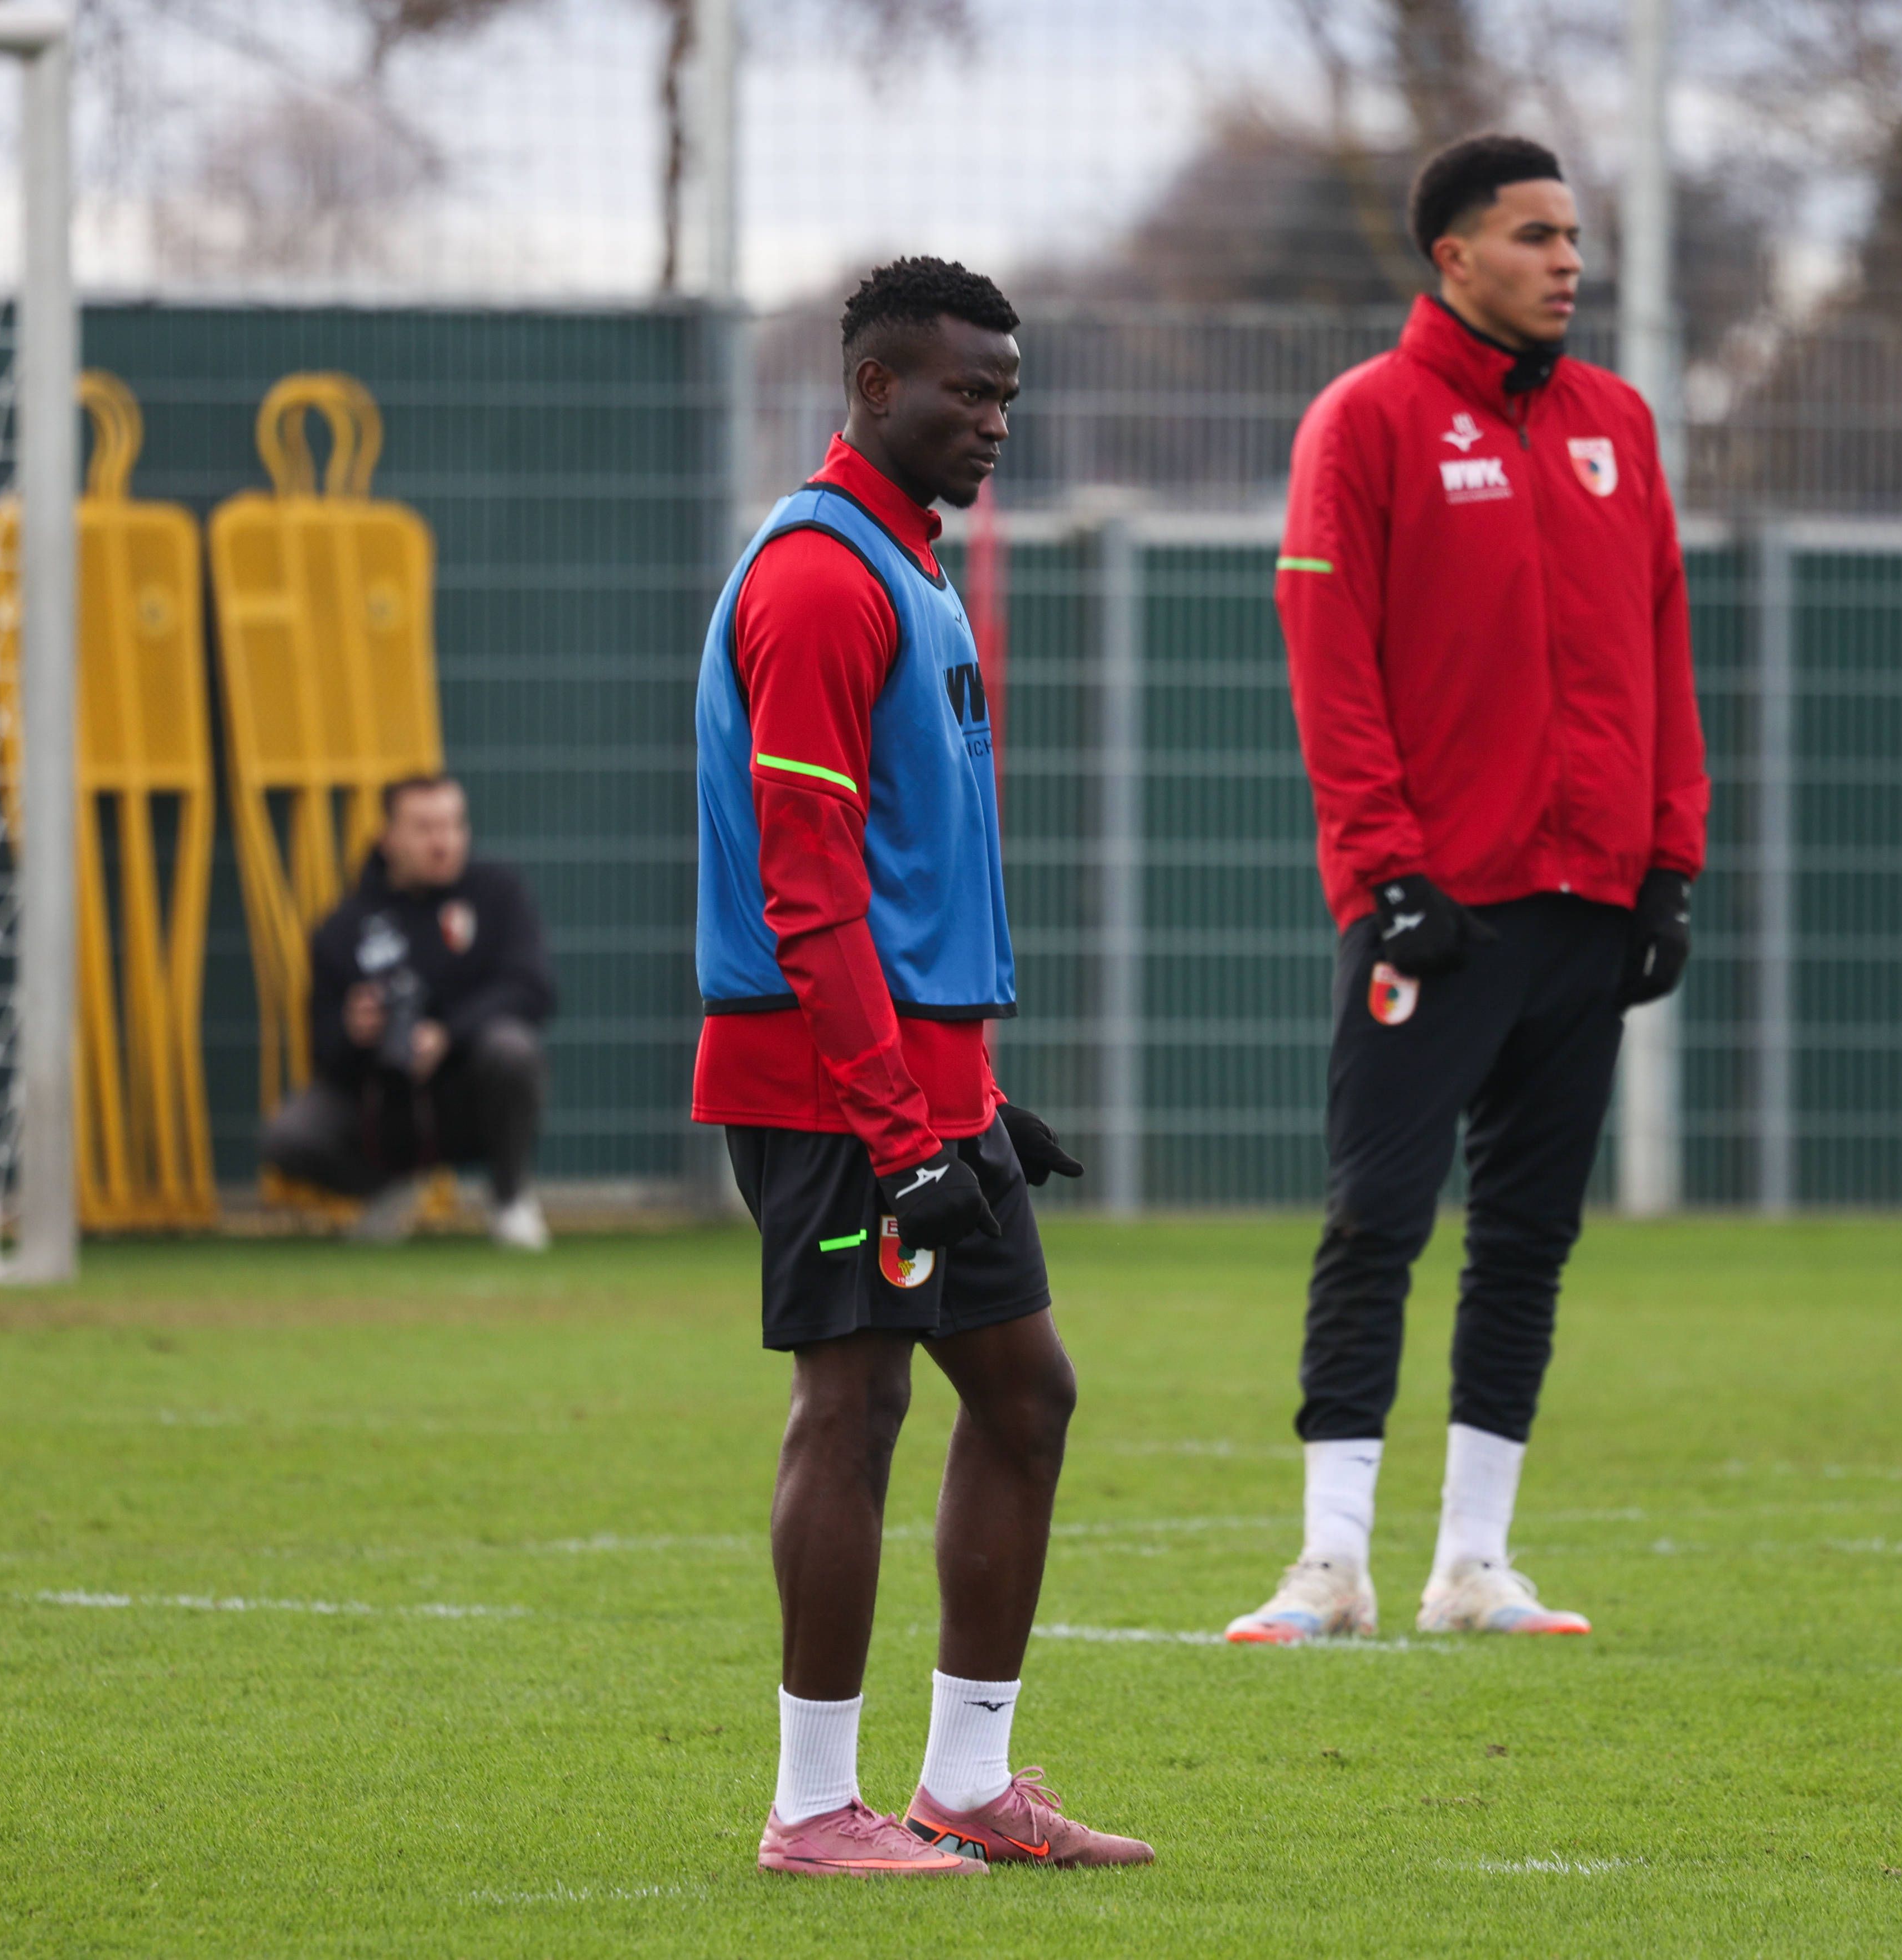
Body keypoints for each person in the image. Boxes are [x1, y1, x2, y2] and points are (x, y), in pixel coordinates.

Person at [693, 256, 1152, 1877]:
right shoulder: (820, 578)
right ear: (874, 387)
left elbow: (901, 872)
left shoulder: (912, 565)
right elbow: (804, 887)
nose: (995, 420)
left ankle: (966, 1783)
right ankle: (814, 1807)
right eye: (967, 390)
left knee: (1026, 1397)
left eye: (1009, 393)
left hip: (913, 1073)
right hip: (829, 1085)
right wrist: (898, 1122)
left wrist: (965, 1084)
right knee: (857, 1394)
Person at [1225, 134, 1708, 1645]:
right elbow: (1333, 667)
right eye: (1534, 235)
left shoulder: (1618, 425)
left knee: (1529, 1236)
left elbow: (1663, 649)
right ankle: (1329, 1564)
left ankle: (1473, 1564)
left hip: (1589, 901)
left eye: (1575, 234)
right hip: (1436, 904)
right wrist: (1385, 867)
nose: (1569, 259)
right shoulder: (1363, 422)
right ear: (1452, 256)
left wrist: (1670, 858)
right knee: (1377, 1217)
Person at [258, 773, 558, 1251]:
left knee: (513, 1050)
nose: (443, 842)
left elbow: (533, 989)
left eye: (453, 825)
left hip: (469, 1097)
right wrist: (355, 1031)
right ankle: (385, 1193)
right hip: (384, 1109)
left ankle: (509, 1198)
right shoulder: (343, 928)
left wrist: (446, 1035)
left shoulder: (497, 895)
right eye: (424, 828)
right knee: (289, 1134)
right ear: (387, 836)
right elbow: (322, 1050)